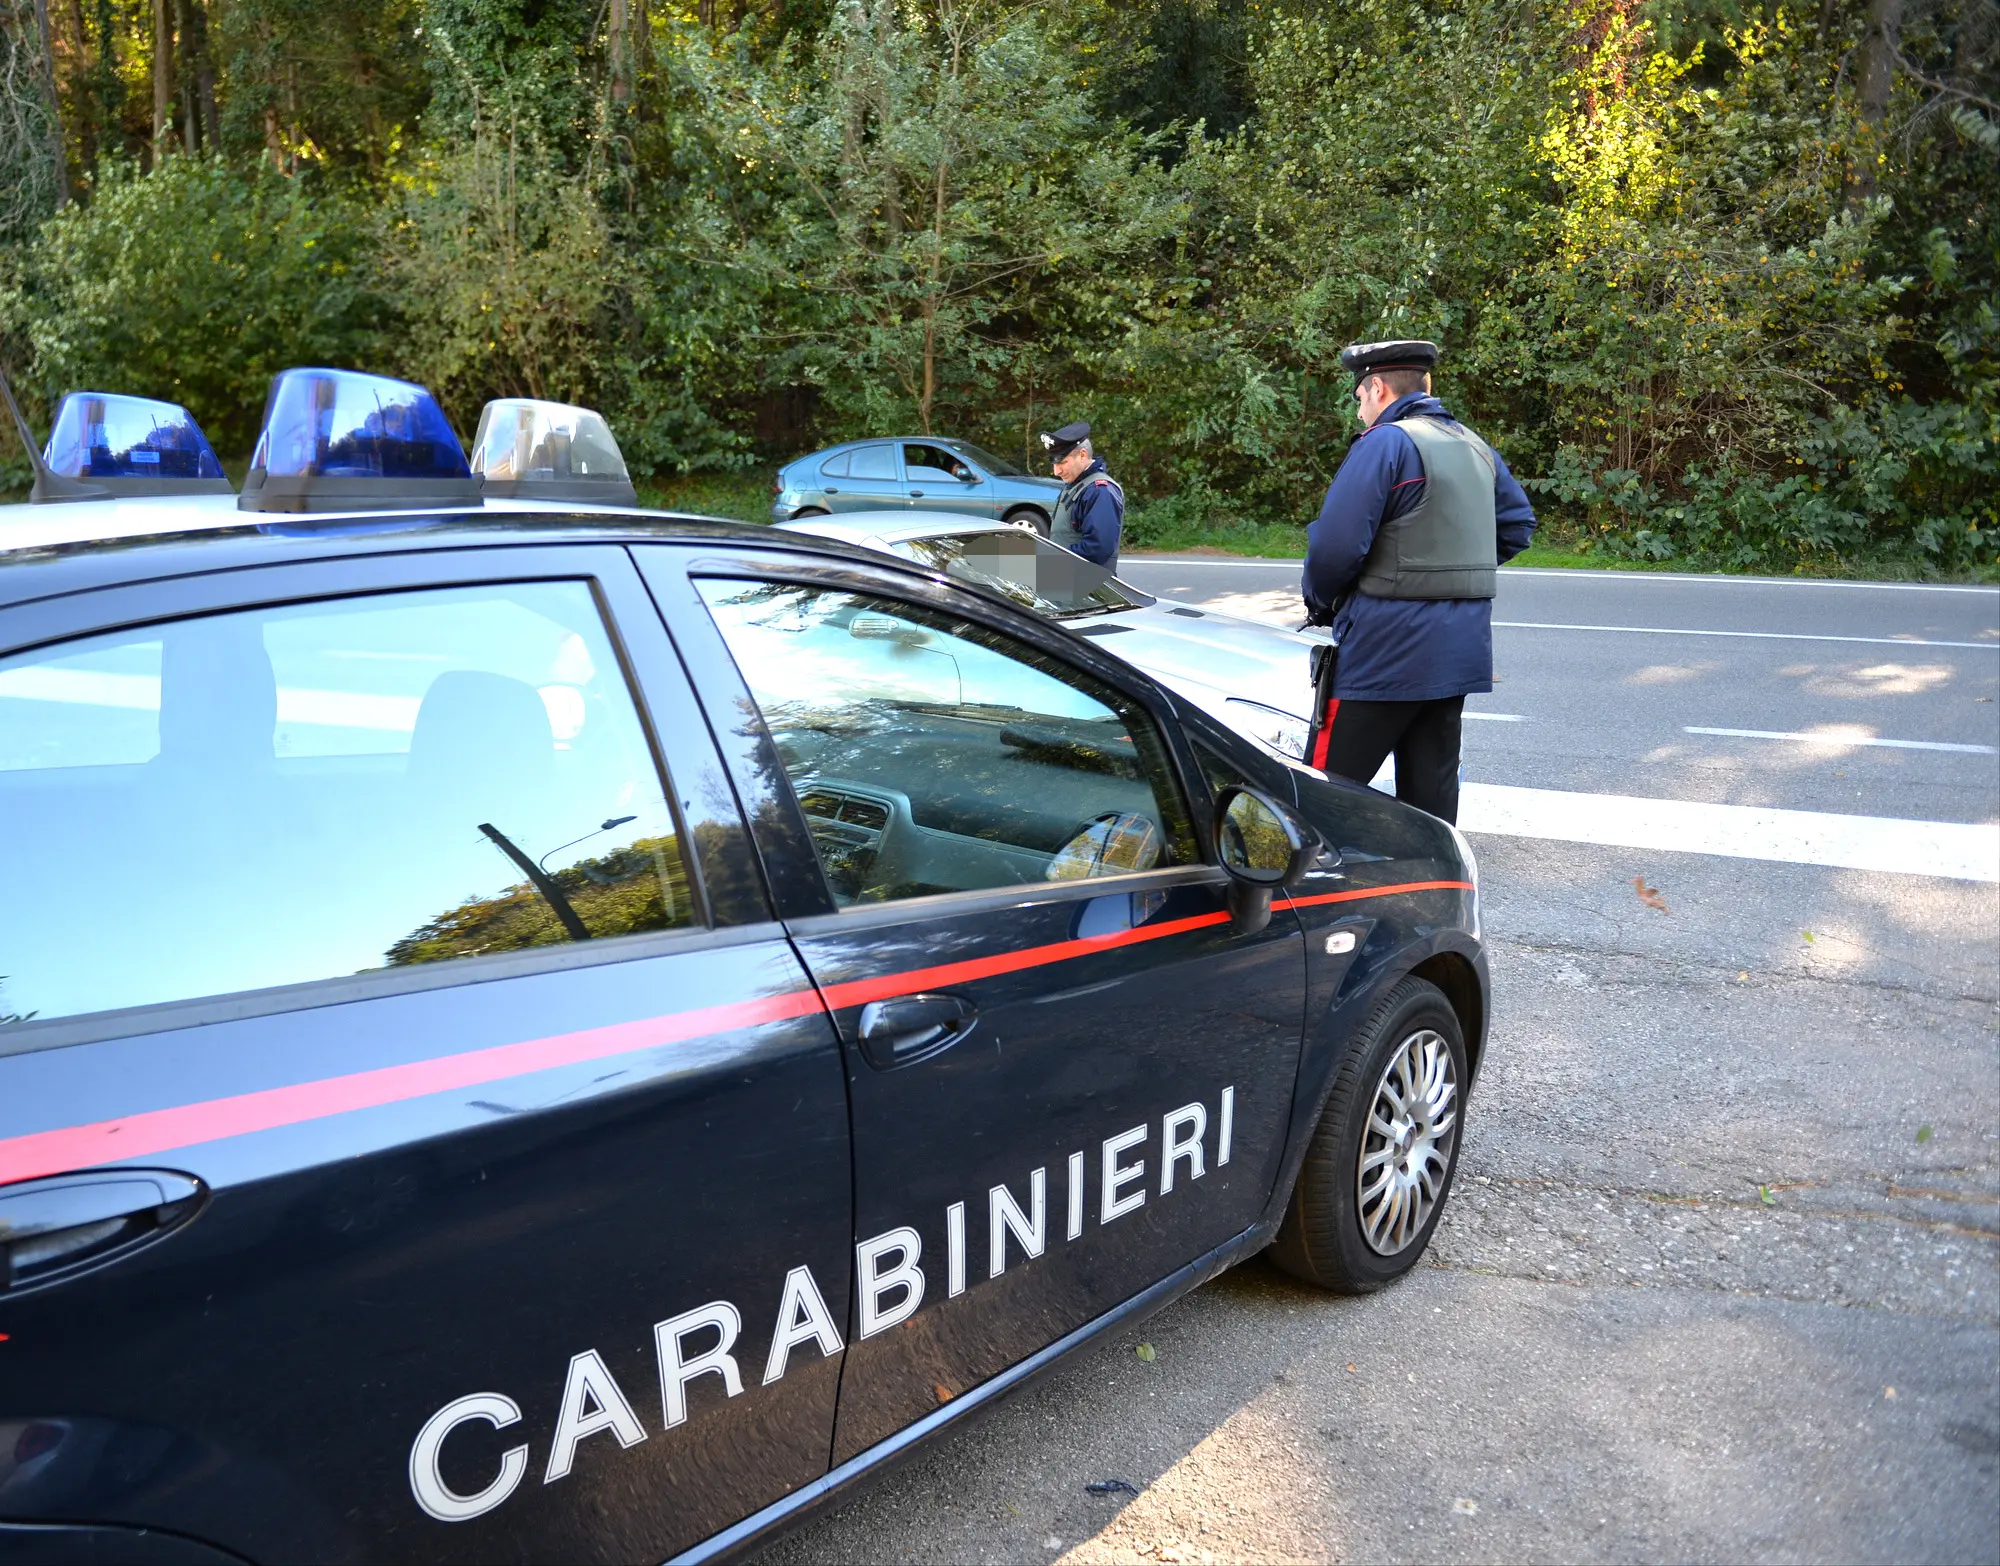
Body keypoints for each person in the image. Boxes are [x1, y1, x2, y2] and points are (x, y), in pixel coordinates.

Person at [1300, 339, 1537, 824]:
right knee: (1431, 796)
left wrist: (1321, 604)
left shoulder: (1385, 444)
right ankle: (1431, 885)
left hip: (1383, 650)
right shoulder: (1475, 445)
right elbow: (1516, 526)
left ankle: (1303, 891)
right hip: (1459, 650)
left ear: (1379, 388)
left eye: (1359, 398)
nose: (1360, 411)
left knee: (1321, 794)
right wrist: (1449, 569)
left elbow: (1336, 547)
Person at [1041, 421, 1125, 569]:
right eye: (1054, 464)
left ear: (1082, 455)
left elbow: (1097, 550)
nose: (1056, 471)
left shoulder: (1099, 491)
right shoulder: (1077, 484)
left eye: (1063, 462)